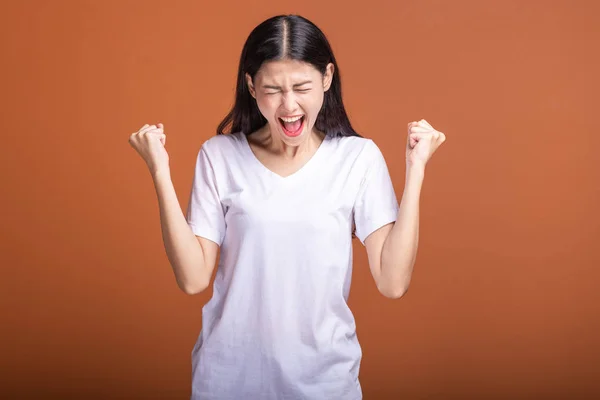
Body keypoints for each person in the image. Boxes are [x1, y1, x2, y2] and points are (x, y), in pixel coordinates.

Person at [129, 14, 445, 400]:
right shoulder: (220, 156)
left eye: (301, 87)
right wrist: (159, 172)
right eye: (273, 89)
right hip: (228, 382)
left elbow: (393, 282)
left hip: (326, 385)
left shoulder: (357, 159)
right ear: (251, 85)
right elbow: (193, 278)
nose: (289, 105)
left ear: (327, 78)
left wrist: (415, 171)